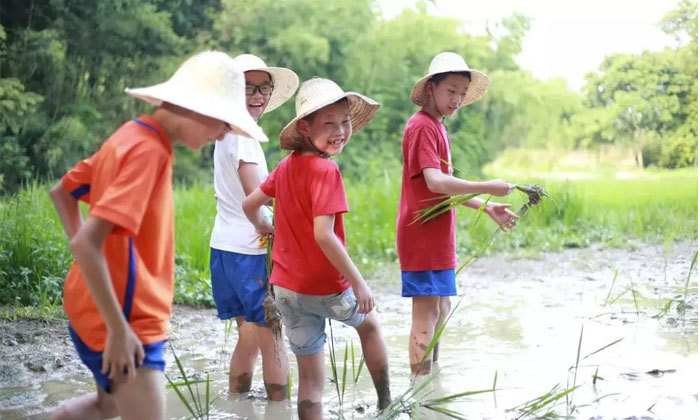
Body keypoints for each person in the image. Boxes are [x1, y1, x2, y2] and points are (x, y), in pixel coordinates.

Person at [48, 51, 267, 420]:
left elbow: (62, 191)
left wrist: (89, 266)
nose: (223, 134)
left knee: (107, 406)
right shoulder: (149, 152)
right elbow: (87, 241)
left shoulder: (129, 135)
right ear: (202, 109)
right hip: (126, 319)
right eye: (224, 124)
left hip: (95, 308)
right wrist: (118, 328)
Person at [242, 78, 391, 419]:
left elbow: (250, 204)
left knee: (310, 379)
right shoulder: (326, 170)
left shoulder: (285, 166)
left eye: (345, 122)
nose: (340, 131)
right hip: (326, 287)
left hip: (286, 291)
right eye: (329, 124)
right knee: (370, 326)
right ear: (306, 128)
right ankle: (386, 405)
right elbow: (324, 235)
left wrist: (263, 225)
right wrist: (359, 283)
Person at [396, 52, 518, 375]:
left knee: (441, 306)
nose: (457, 99)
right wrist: (486, 186)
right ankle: (419, 393)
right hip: (422, 236)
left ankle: (431, 383)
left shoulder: (437, 127)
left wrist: (486, 206)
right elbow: (435, 182)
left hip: (437, 237)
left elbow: (442, 189)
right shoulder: (422, 126)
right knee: (426, 312)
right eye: (451, 91)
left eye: (462, 93)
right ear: (431, 88)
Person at [209, 53, 298, 400]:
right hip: (250, 251)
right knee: (273, 339)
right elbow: (255, 193)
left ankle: (237, 403)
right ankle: (280, 405)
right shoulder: (243, 133)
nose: (257, 95)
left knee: (247, 338)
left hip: (223, 249)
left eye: (263, 88)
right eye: (248, 87)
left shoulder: (225, 131)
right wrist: (286, 217)